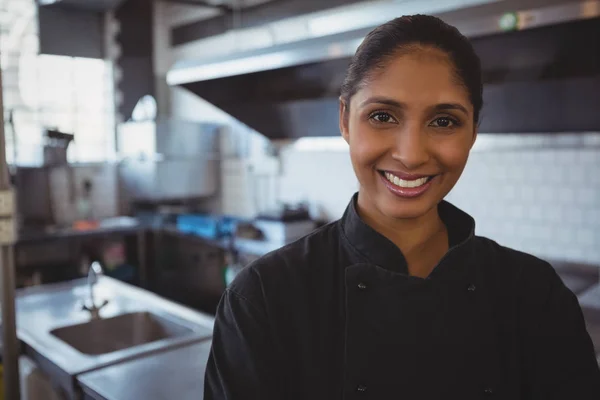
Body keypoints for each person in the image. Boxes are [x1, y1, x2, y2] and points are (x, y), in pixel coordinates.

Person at [204, 15, 600, 399]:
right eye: (382, 116)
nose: (410, 156)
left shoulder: (535, 297)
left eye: (444, 121)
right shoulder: (263, 301)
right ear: (345, 119)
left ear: (473, 132)